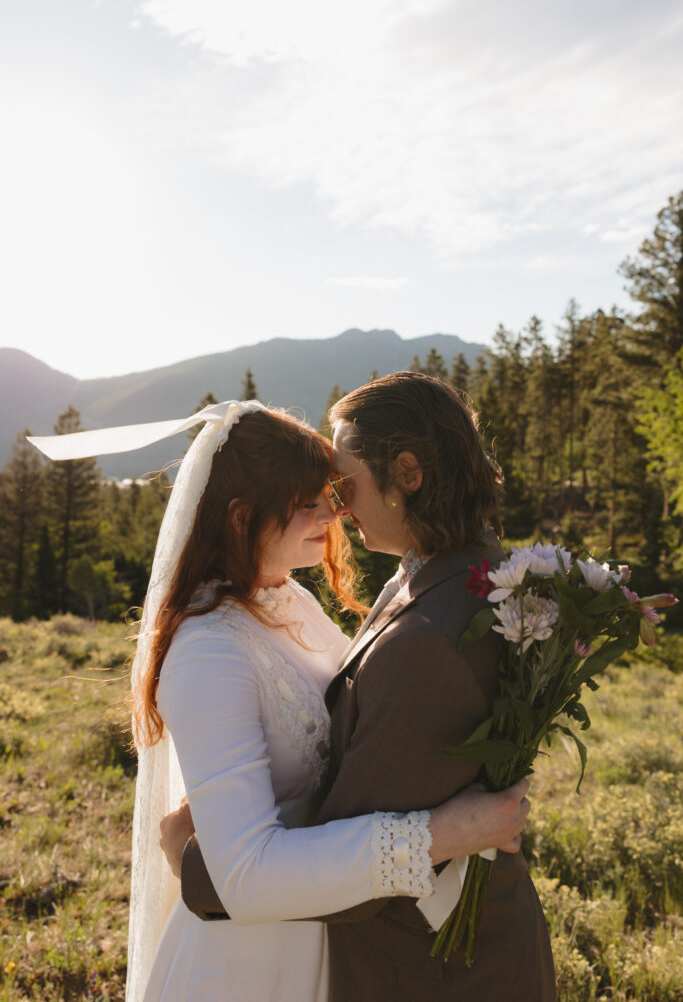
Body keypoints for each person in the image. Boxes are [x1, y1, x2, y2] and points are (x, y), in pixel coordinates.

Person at [27, 397, 531, 1002]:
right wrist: (443, 833)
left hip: (322, 939)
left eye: (331, 491)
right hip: (249, 964)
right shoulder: (208, 649)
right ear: (243, 518)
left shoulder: (291, 601)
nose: (333, 511)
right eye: (306, 502)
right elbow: (245, 874)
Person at [174, 374, 556, 1001]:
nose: (337, 508)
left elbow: (361, 850)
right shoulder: (454, 574)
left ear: (406, 472)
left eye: (343, 484)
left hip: (438, 973)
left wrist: (197, 866)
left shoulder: (429, 643)